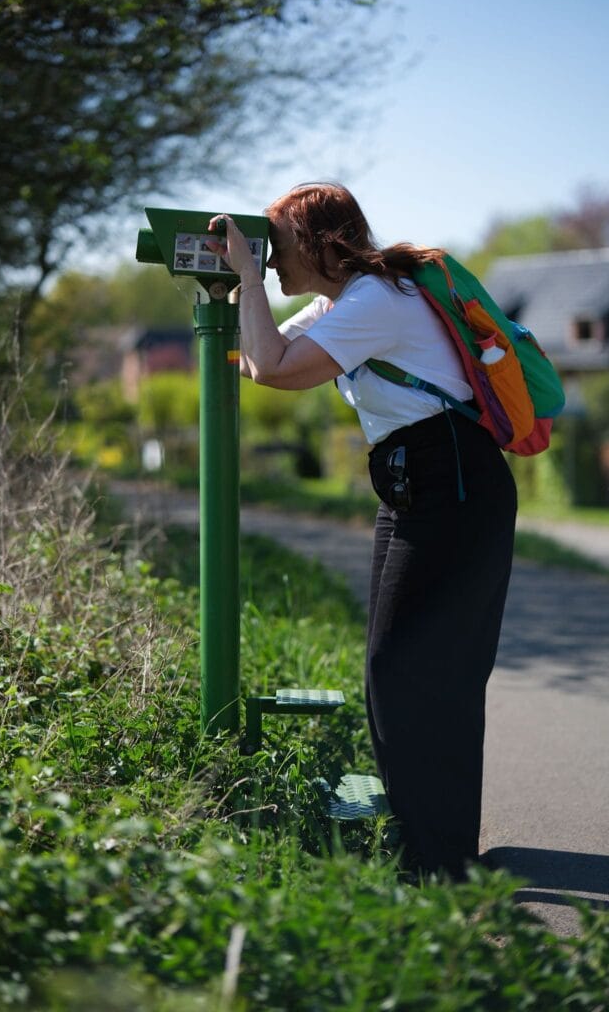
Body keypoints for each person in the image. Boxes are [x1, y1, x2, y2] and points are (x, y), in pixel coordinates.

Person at [207, 183, 516, 880]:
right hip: (414, 485)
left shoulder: (379, 301)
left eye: (278, 245)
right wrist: (236, 287)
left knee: (415, 671)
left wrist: (249, 280)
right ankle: (434, 850)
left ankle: (437, 865)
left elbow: (278, 373)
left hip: (452, 482)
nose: (274, 261)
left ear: (319, 244)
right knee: (399, 670)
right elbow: (258, 359)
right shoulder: (339, 303)